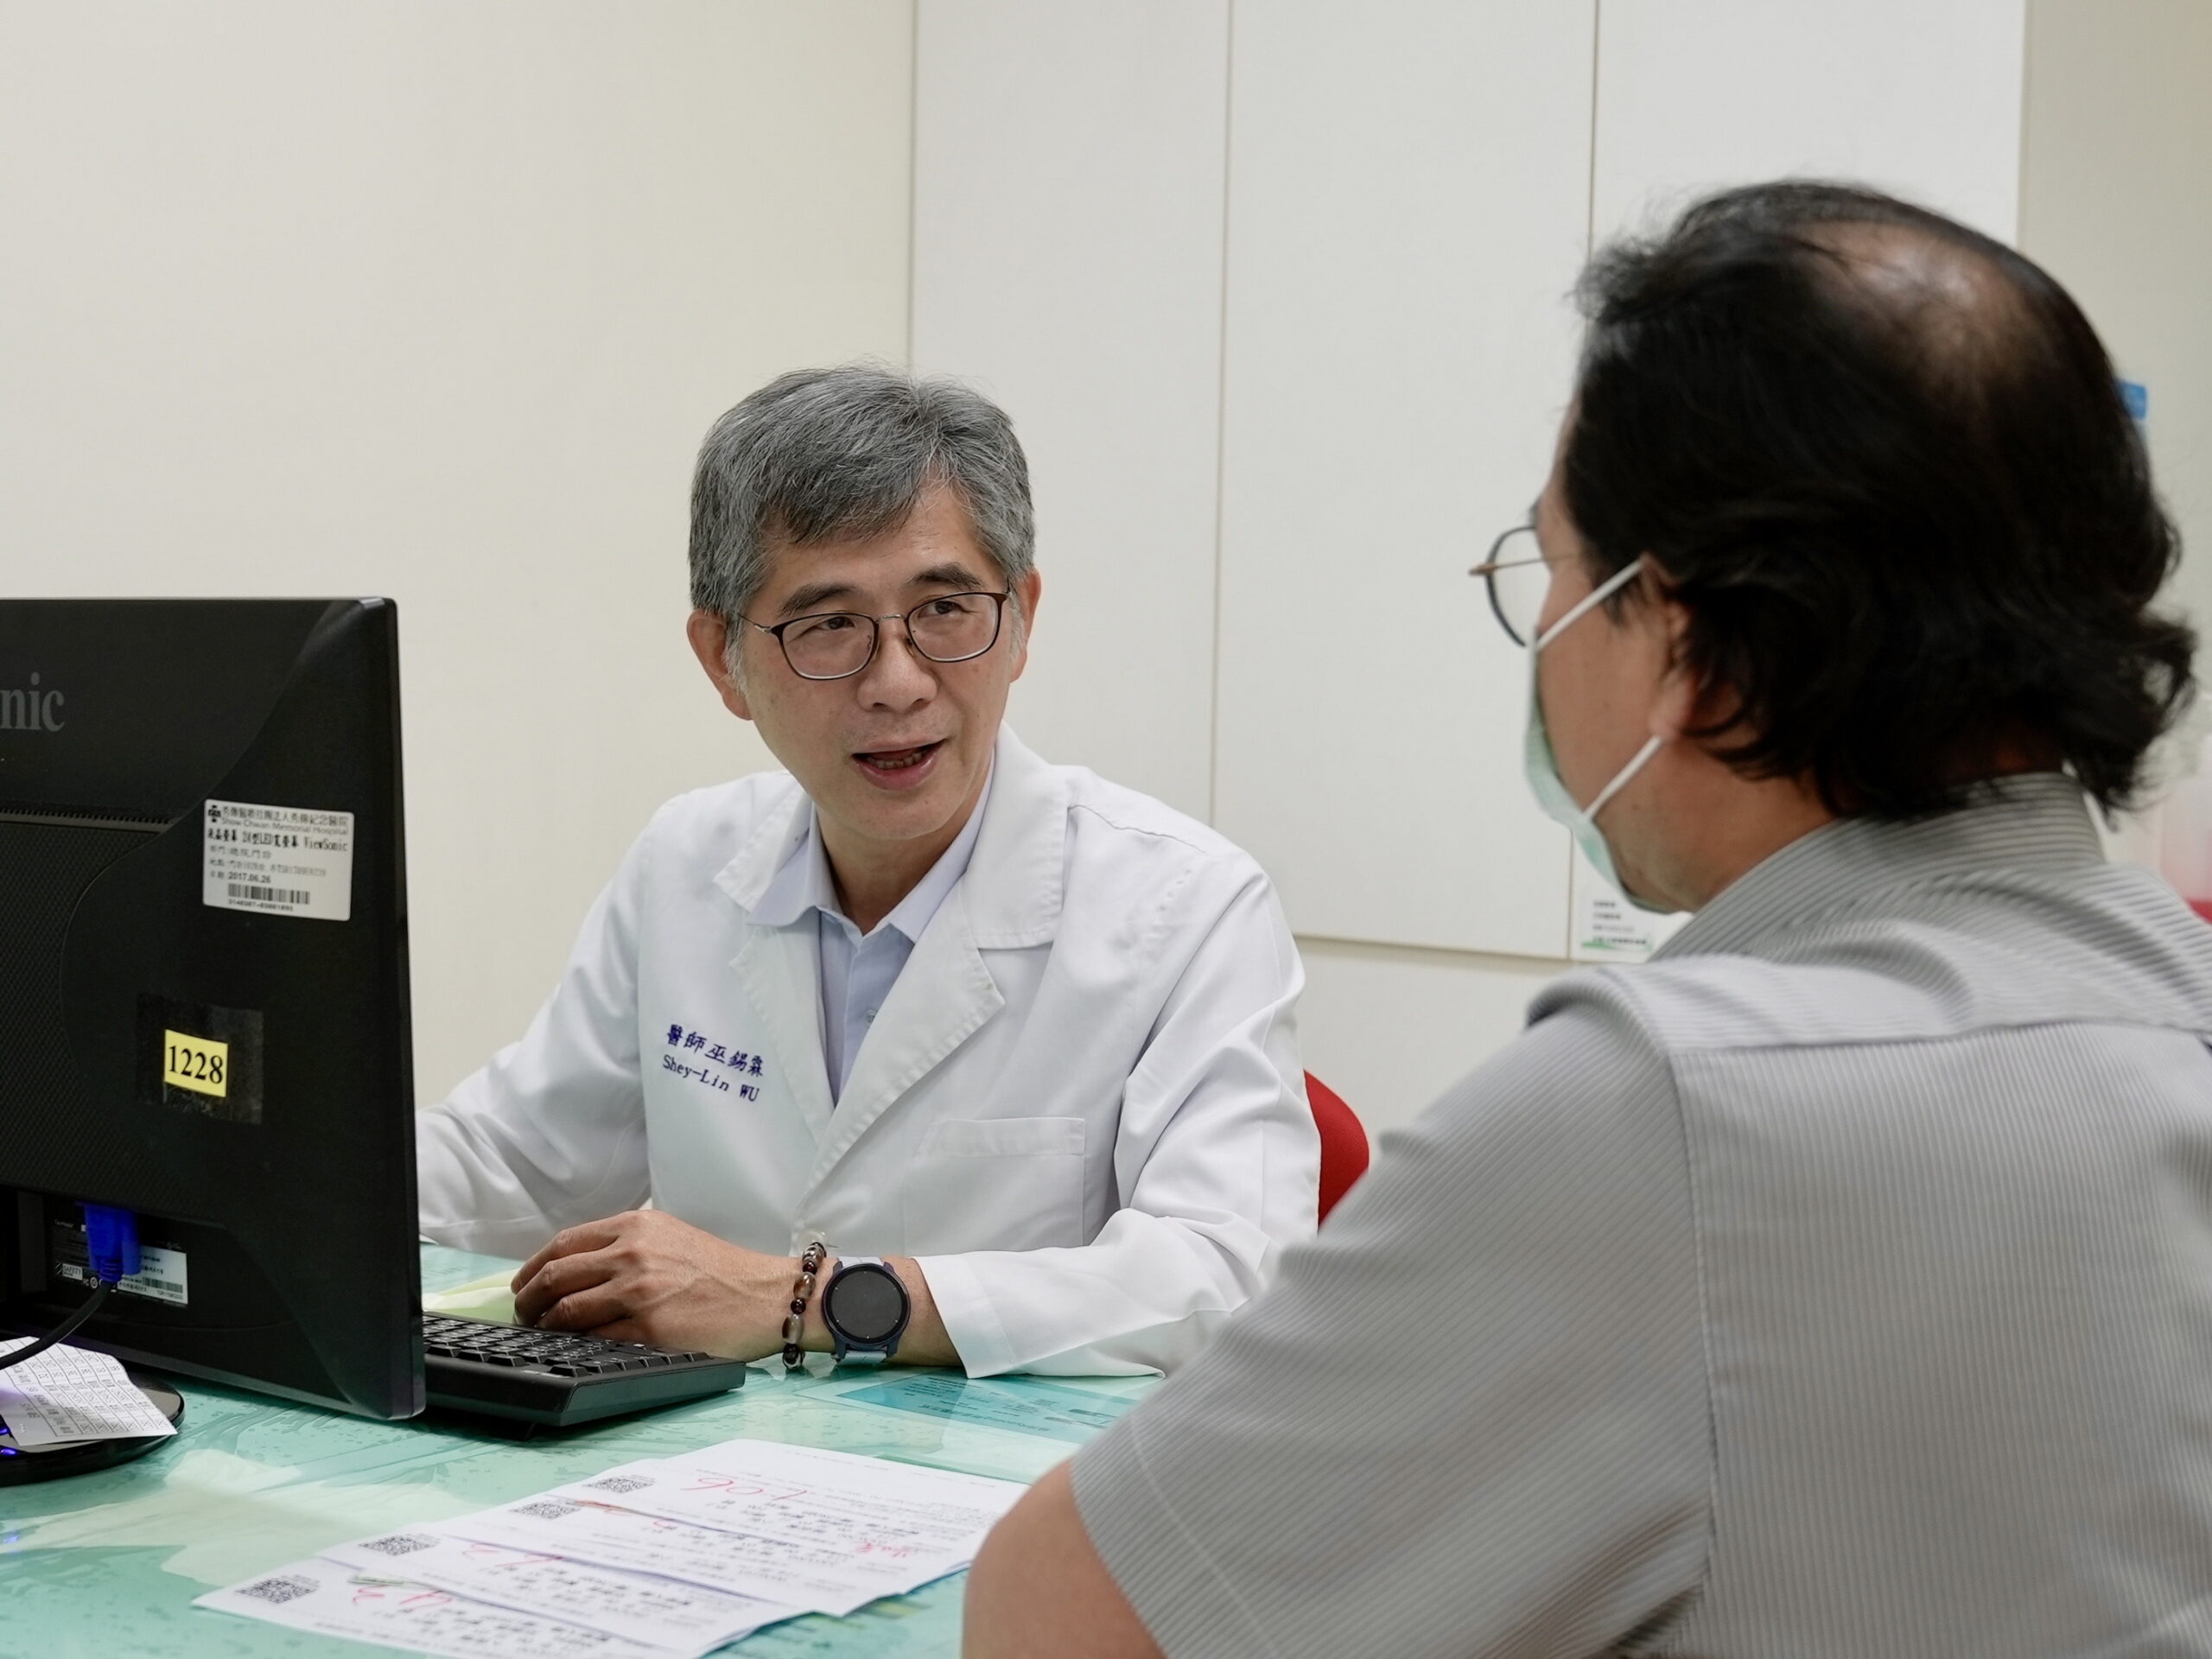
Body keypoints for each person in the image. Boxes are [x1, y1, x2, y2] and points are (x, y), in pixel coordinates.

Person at [966, 181, 2212, 1656]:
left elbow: (1067, 1618)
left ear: (1682, 640)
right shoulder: (2179, 1005)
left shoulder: (1669, 1112)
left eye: (1553, 566)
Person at [416, 364, 1318, 1376]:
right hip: (711, 1455)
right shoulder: (687, 863)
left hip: (1018, 1468)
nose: (897, 683)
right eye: (829, 625)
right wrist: (285, 1165)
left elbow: (1229, 1275)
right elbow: (513, 1167)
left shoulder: (1187, 906)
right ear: (722, 660)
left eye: (946, 609)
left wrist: (807, 1300)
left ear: (1021, 619)